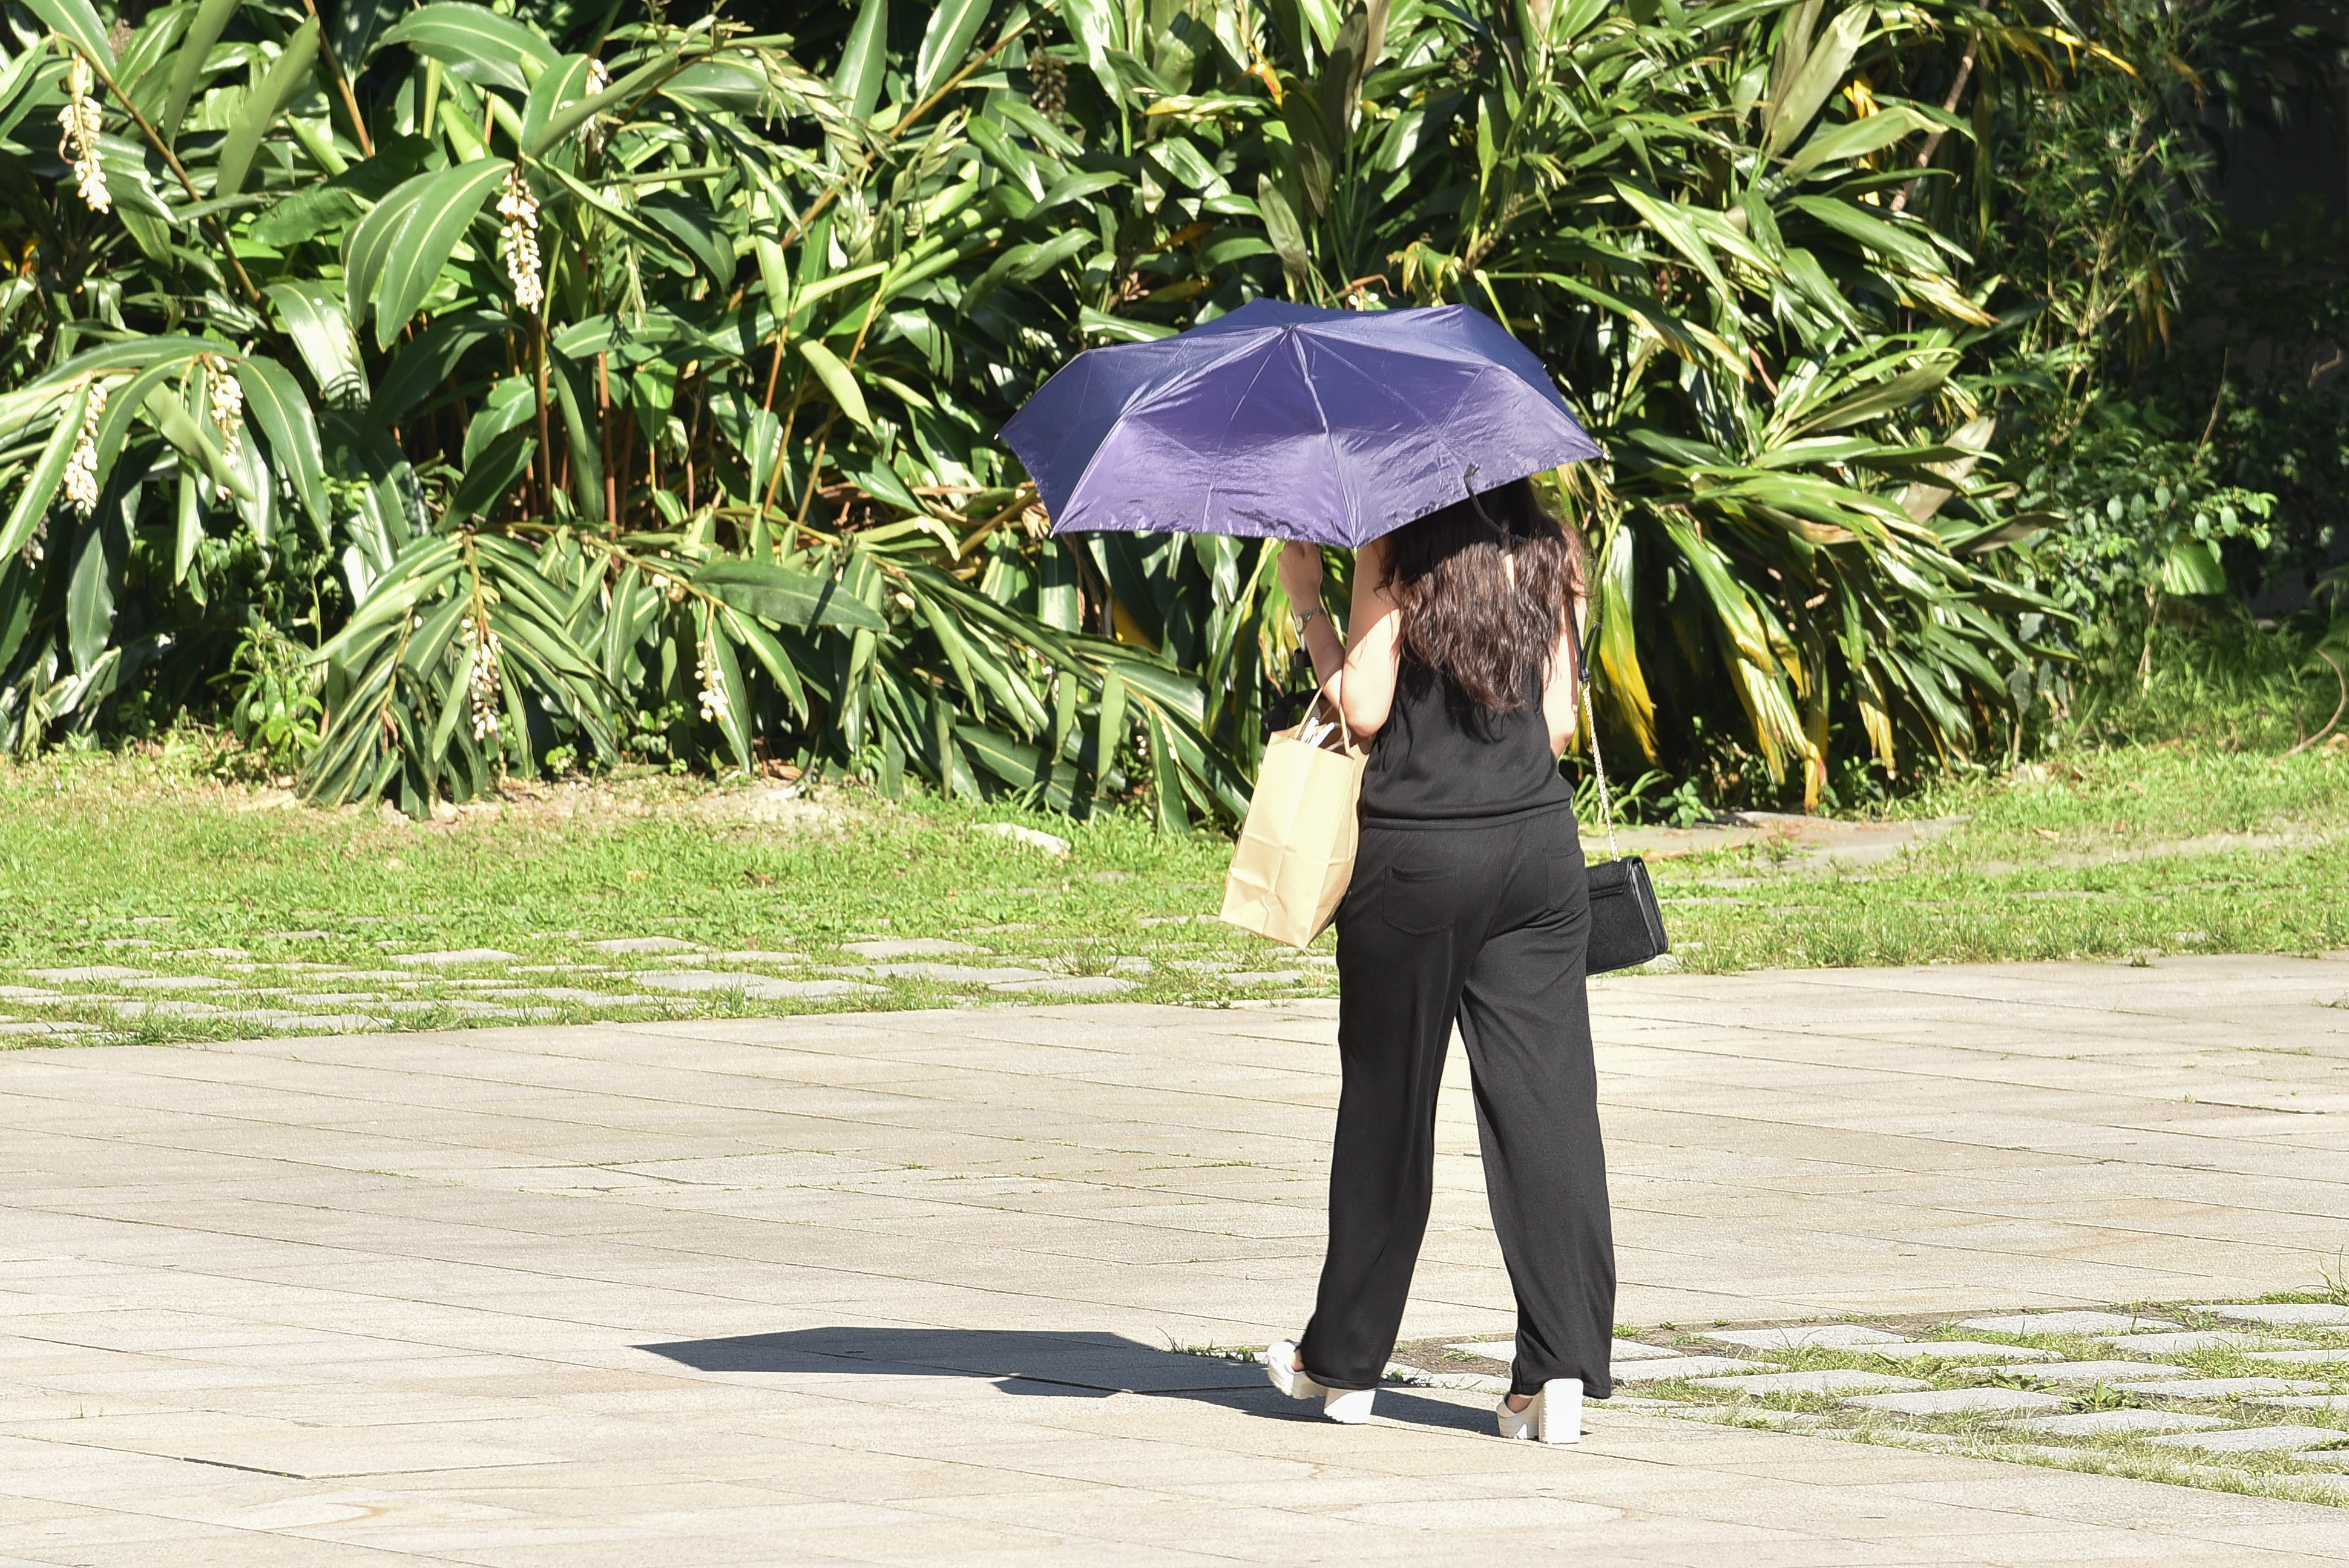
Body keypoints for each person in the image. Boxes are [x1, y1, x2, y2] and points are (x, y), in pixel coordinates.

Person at [1260, 476, 1614, 1444]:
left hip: (1418, 855)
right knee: (1546, 1109)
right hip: (1537, 856)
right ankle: (1559, 1373)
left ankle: (1344, 1368)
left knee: (1388, 1103)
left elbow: (1365, 708)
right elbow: (1556, 725)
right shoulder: (1550, 544)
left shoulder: (1395, 546)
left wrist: (1307, 601)